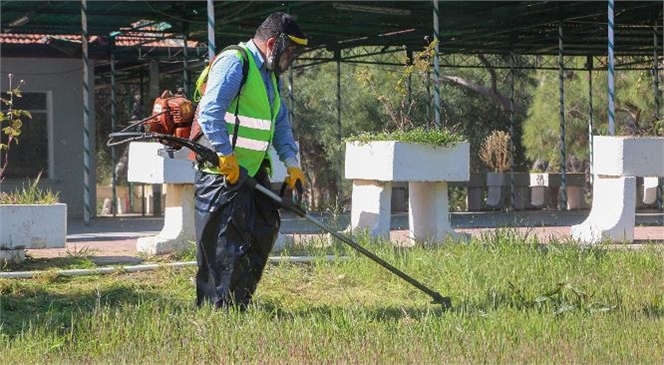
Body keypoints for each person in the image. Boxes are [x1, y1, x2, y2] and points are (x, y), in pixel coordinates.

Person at [192, 12, 308, 310]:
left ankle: (238, 304)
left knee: (260, 236)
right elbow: (209, 112)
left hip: (252, 172)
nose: (291, 58)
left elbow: (279, 123)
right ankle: (217, 312)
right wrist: (226, 157)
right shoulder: (236, 62)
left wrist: (292, 164)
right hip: (222, 174)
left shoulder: (268, 75)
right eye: (290, 50)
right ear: (272, 44)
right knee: (224, 246)